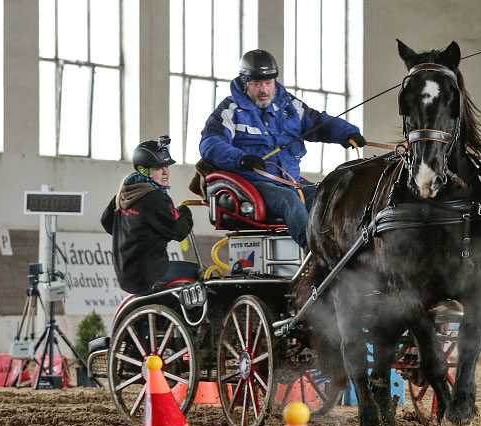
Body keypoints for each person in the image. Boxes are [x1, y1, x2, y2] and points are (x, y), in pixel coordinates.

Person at [199, 49, 366, 248]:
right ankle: (316, 252)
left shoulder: (290, 105)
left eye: (268, 83)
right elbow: (210, 143)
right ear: (245, 83)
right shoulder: (229, 110)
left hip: (290, 181)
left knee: (328, 196)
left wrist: (347, 133)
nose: (264, 90)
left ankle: (345, 247)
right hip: (254, 182)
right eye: (257, 84)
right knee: (288, 200)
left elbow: (319, 122)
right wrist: (240, 158)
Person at [101, 136, 198, 294]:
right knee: (200, 272)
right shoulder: (154, 198)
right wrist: (185, 212)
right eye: (158, 168)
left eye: (166, 166)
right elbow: (180, 230)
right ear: (143, 170)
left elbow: (106, 222)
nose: (165, 172)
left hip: (127, 277)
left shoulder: (125, 192)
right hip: (150, 275)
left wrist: (136, 234)